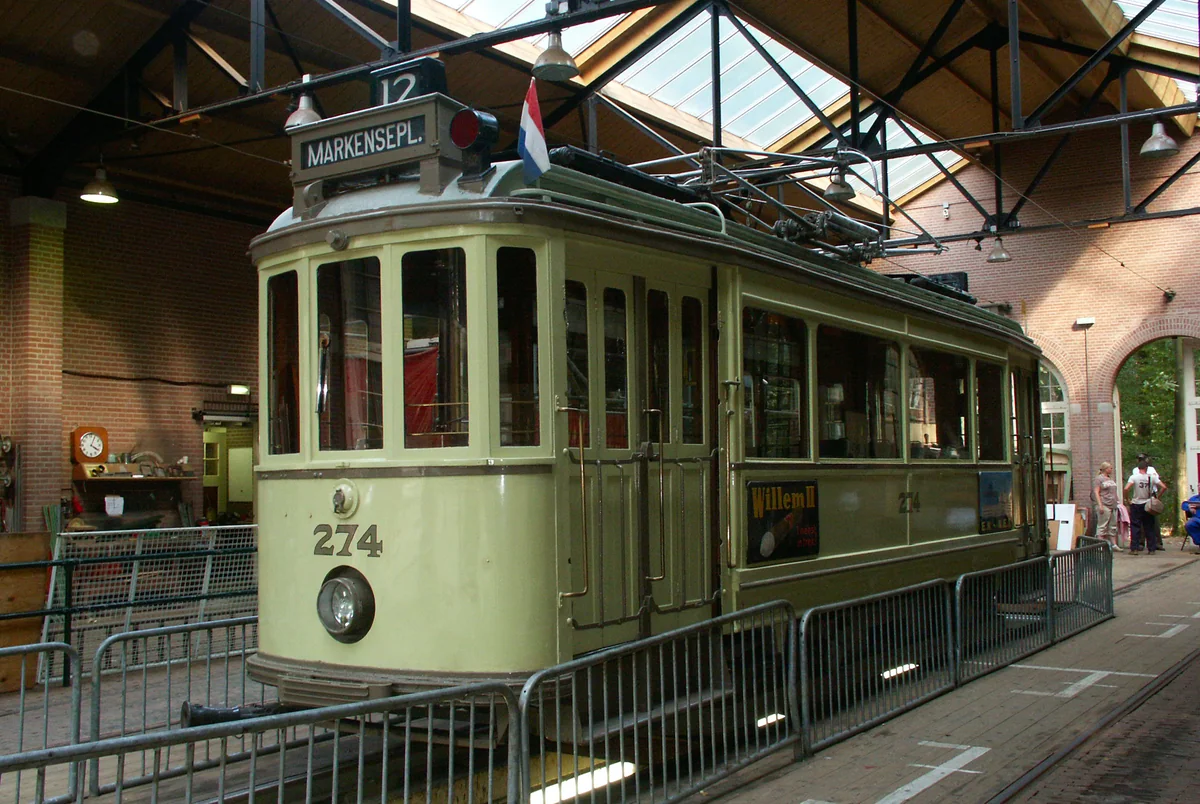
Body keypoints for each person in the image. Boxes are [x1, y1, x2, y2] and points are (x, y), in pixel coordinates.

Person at [1125, 453, 1167, 553]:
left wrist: (1128, 500)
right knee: (1149, 526)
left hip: (1136, 503)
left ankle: (1134, 548)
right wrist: (1157, 498)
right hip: (1148, 504)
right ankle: (1151, 549)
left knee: (1135, 526)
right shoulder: (1152, 477)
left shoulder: (1134, 477)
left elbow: (1126, 489)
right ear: (1146, 468)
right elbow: (1164, 487)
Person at [1093, 461, 1123, 551]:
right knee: (1102, 525)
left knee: (1113, 525)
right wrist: (1100, 505)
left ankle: (1114, 545)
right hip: (1104, 504)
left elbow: (1114, 492)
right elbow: (1096, 492)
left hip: (1113, 505)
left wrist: (1118, 502)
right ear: (1105, 469)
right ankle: (1099, 545)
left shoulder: (1110, 479)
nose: (1111, 469)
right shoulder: (1099, 479)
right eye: (1110, 468)